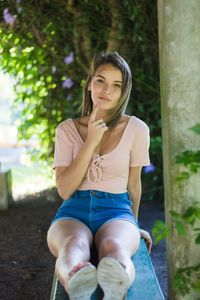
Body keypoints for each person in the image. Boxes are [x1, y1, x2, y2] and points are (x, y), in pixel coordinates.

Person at [47, 51, 153, 300]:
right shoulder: (67, 130)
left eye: (116, 85)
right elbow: (64, 190)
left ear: (123, 92)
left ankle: (116, 286)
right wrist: (91, 141)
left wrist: (133, 226)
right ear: (89, 84)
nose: (107, 90)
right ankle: (77, 282)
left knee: (114, 247)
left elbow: (134, 185)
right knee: (73, 245)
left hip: (116, 210)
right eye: (101, 81)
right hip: (73, 210)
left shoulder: (136, 129)